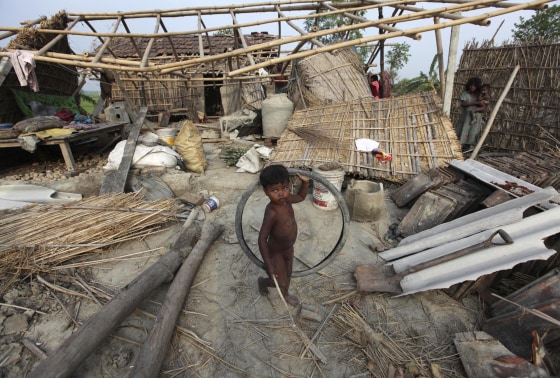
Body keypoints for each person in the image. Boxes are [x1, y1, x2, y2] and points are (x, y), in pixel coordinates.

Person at [257, 164, 310, 307]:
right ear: (265, 191)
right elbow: (262, 238)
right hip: (276, 251)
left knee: (288, 273)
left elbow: (300, 196)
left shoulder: (287, 200)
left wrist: (305, 183)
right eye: (274, 190)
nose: (281, 194)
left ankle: (285, 293)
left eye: (284, 188)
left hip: (289, 248)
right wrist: (269, 264)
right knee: (279, 279)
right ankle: (264, 281)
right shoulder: (272, 211)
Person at [454, 77, 485, 152]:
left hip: (476, 117)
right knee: (463, 130)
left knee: (473, 131)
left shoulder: (480, 95)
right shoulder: (465, 94)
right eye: (470, 85)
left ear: (477, 86)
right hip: (466, 116)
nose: (472, 87)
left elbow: (483, 107)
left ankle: (467, 147)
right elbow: (464, 104)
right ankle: (459, 147)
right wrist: (476, 103)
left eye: (474, 85)